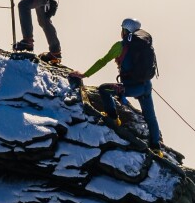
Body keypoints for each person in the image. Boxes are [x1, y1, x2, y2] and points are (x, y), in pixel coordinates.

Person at [69, 19, 162, 152]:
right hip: (146, 85)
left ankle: (113, 118)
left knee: (104, 89)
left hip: (130, 86)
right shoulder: (143, 46)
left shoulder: (120, 46)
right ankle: (156, 147)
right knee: (151, 117)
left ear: (124, 30)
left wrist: (84, 75)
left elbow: (102, 62)